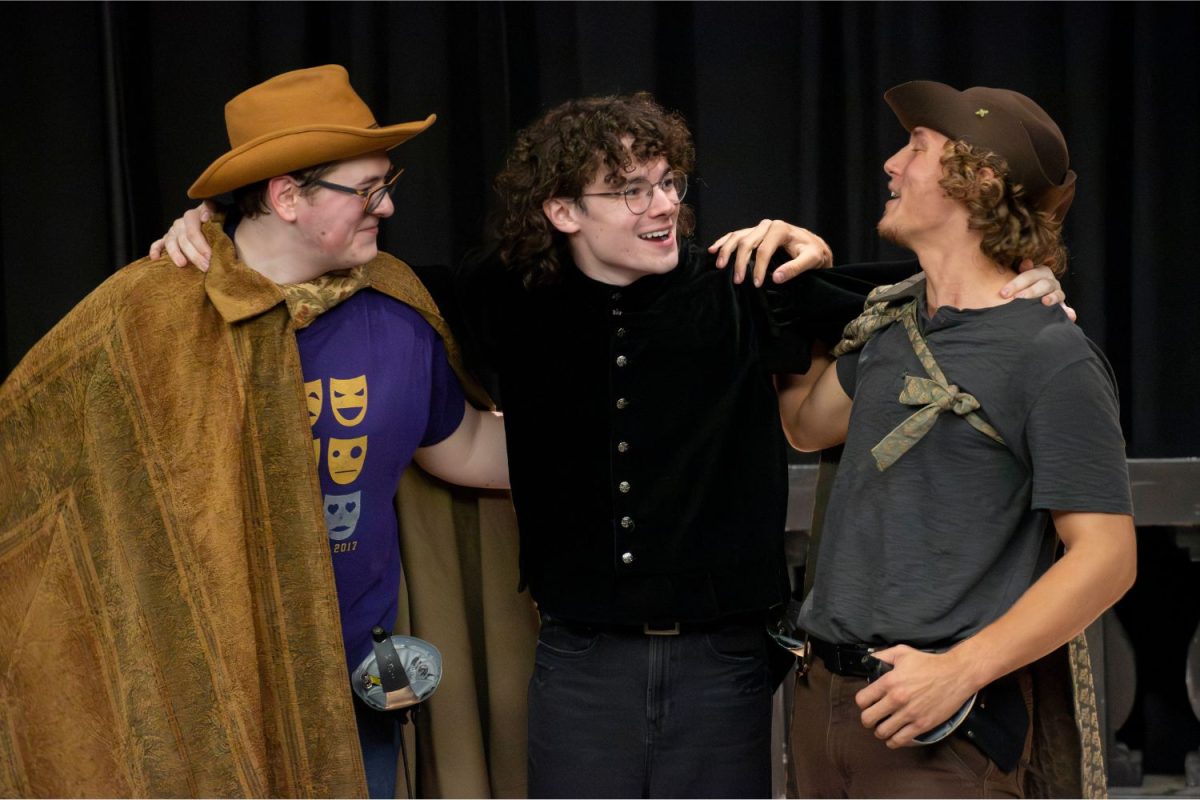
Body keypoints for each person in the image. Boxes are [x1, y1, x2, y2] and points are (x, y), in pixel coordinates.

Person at [154, 91, 1066, 799]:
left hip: (726, 658)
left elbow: (923, 299)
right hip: (579, 659)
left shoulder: (745, 283)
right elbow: (347, 276)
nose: (663, 206)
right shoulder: (506, 297)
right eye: (631, 192)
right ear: (561, 213)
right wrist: (211, 230)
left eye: (670, 183)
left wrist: (1025, 283)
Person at [0, 65, 533, 799]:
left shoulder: (397, 307)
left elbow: (466, 447)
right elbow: (32, 472)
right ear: (287, 196)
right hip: (203, 716)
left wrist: (631, 447)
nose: (389, 205)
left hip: (352, 700)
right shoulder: (150, 313)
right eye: (368, 189)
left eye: (389, 182)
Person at [761, 81, 1136, 797]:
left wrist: (961, 670)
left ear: (981, 178)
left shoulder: (1050, 354)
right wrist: (792, 283)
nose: (892, 165)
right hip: (824, 704)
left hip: (940, 727)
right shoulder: (893, 327)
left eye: (918, 148)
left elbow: (1108, 557)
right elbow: (805, 425)